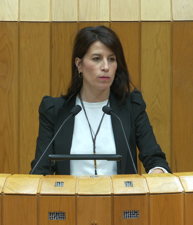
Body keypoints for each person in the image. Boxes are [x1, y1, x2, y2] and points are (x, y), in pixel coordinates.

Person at [31, 26, 171, 175]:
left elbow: (155, 159)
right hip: (70, 198)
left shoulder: (131, 107)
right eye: (96, 59)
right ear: (79, 64)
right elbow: (40, 170)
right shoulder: (55, 111)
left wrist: (157, 173)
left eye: (111, 59)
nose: (105, 67)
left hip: (120, 197)